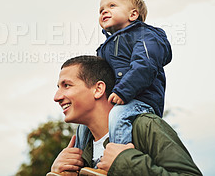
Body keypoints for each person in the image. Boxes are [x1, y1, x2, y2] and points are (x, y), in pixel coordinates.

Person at [47, 55, 201, 176]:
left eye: (66, 85)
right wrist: (57, 172)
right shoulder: (80, 147)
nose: (56, 97)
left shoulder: (145, 126)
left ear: (98, 89)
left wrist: (125, 163)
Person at [75, 0, 173, 159]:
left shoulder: (146, 35)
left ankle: (116, 159)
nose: (104, 11)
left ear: (133, 15)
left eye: (112, 6)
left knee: (118, 116)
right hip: (118, 99)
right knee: (84, 125)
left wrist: (123, 91)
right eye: (101, 10)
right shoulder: (105, 48)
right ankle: (77, 162)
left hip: (141, 100)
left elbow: (145, 65)